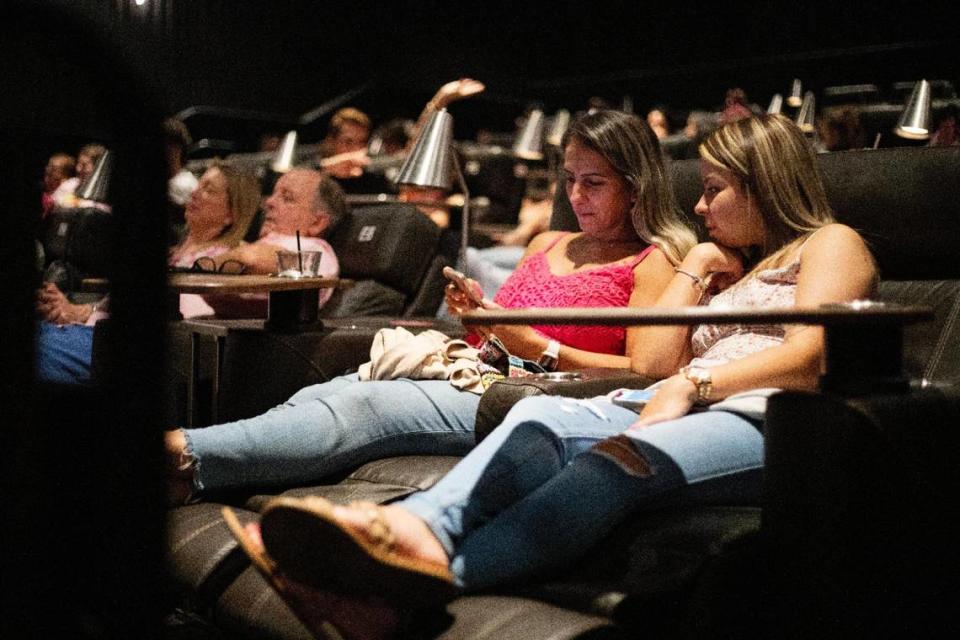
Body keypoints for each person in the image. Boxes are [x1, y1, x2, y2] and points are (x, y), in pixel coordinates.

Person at [236, 114, 879, 638]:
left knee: (616, 461)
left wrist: (697, 385)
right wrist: (699, 266)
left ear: (763, 185)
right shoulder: (727, 265)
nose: (700, 204)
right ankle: (411, 532)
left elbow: (811, 353)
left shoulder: (831, 242)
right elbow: (658, 360)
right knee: (538, 416)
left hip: (767, 417)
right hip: (668, 397)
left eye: (714, 189)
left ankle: (407, 580)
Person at [164, 109, 697, 506]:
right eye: (570, 180)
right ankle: (189, 478)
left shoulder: (655, 261)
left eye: (594, 183)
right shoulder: (546, 244)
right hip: (469, 367)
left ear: (635, 186)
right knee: (332, 387)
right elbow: (498, 332)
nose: (576, 195)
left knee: (364, 408)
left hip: (525, 395)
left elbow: (650, 372)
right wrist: (478, 312)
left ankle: (182, 450)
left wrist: (543, 349)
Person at [35, 163, 261, 384]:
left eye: (208, 190)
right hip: (91, 333)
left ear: (231, 214)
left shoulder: (224, 263)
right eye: (199, 185)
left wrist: (80, 313)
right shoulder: (172, 254)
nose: (194, 193)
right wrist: (72, 310)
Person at [193, 167, 344, 317]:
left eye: (287, 198)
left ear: (317, 223)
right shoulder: (253, 246)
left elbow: (251, 258)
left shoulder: (317, 253)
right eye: (273, 194)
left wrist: (205, 267)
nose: (269, 202)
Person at [40, 152, 75, 218]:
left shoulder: (68, 191)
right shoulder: (43, 192)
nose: (49, 169)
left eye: (54, 168)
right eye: (49, 165)